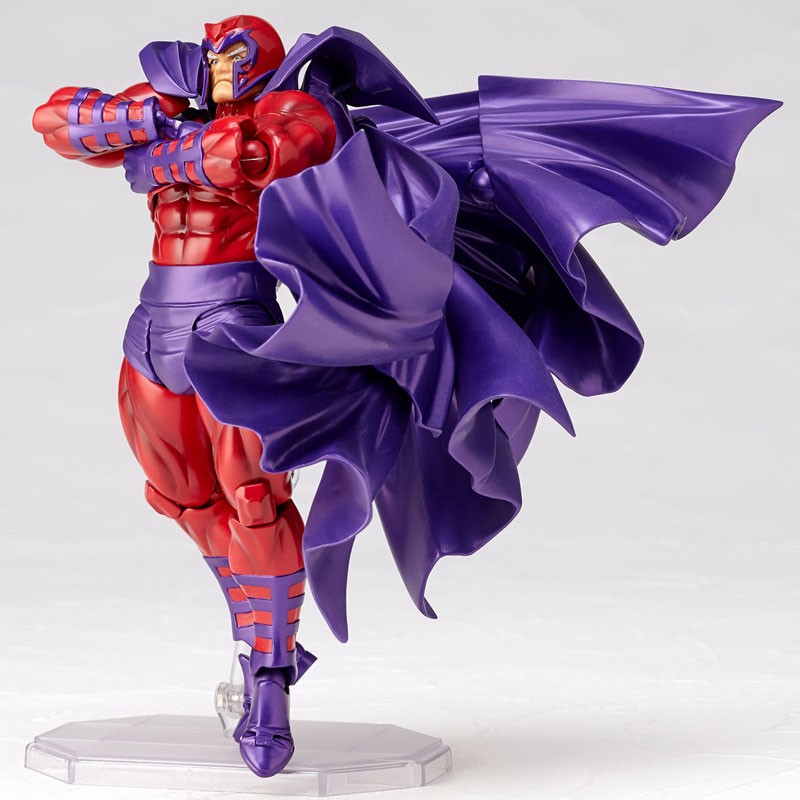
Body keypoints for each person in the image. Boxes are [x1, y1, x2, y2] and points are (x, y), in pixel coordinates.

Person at [33, 12, 780, 779]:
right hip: (149, 330)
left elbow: (252, 155)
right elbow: (55, 121)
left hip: (232, 332)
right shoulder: (172, 106)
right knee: (185, 500)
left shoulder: (298, 105)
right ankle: (254, 625)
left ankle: (269, 680)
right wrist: (150, 120)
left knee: (253, 500)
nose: (216, 69)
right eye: (211, 57)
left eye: (230, 57)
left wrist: (153, 146)